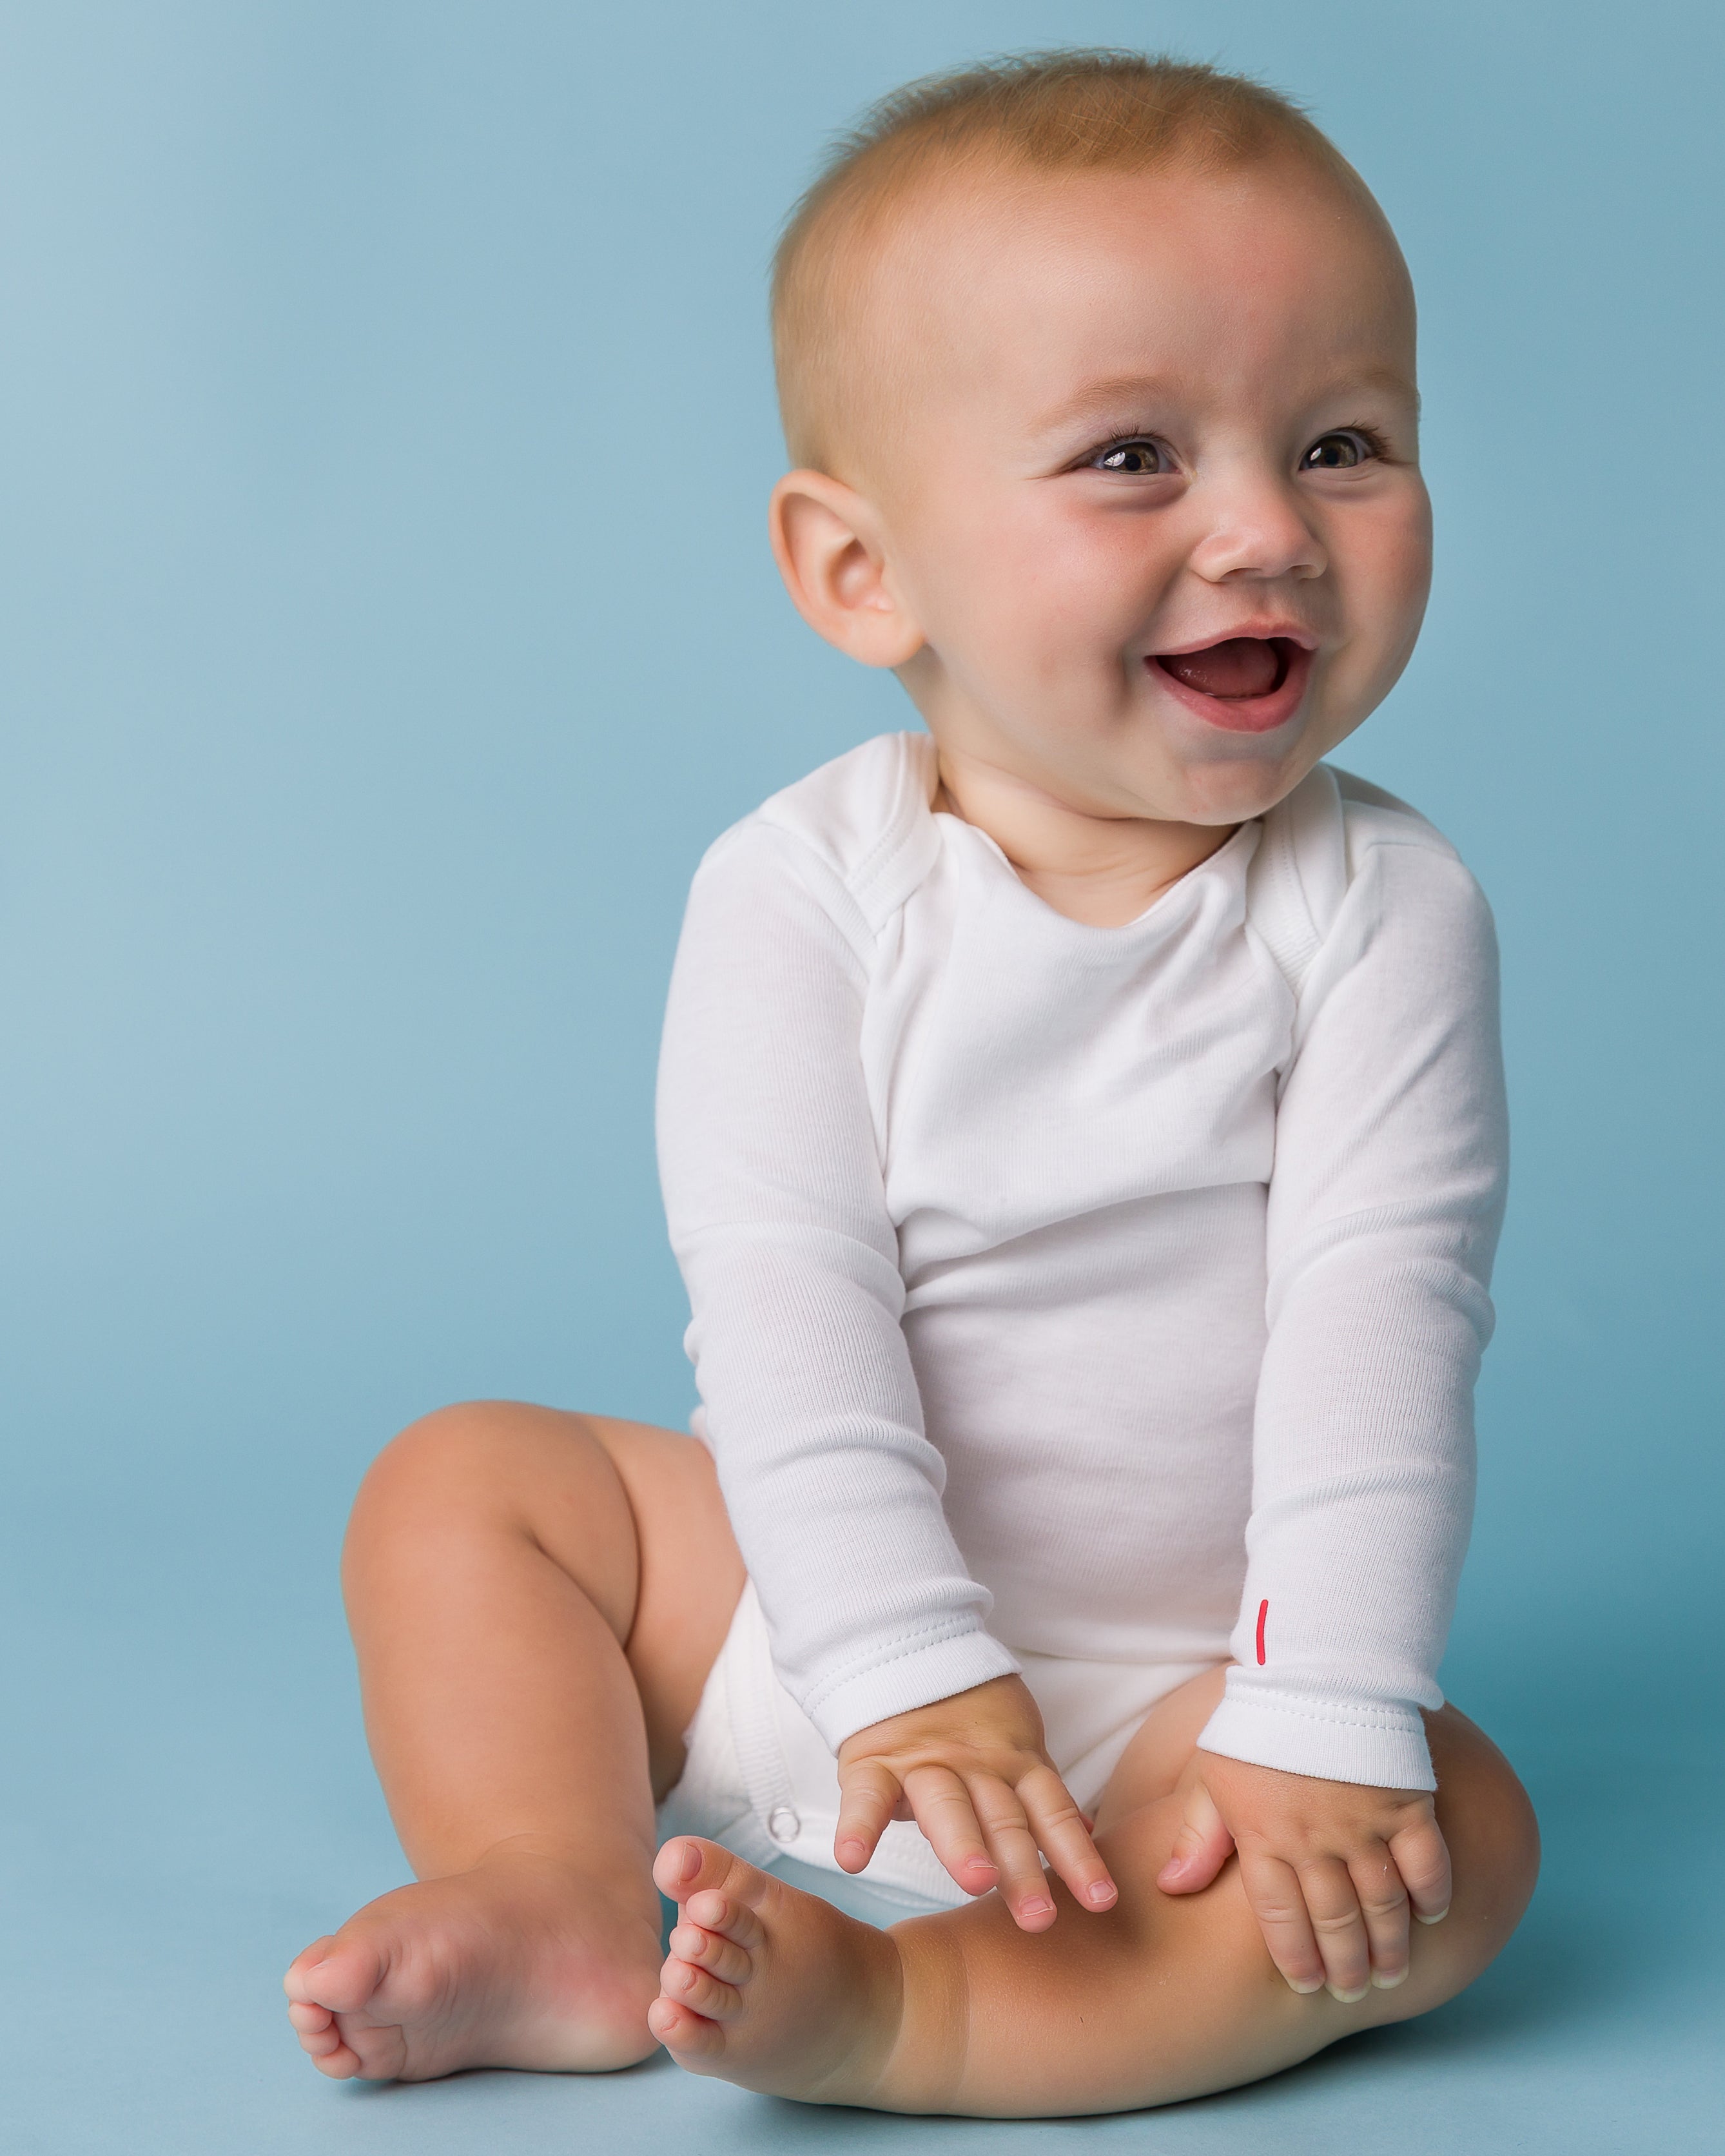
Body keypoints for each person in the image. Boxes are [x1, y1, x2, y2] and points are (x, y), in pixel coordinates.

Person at [284, 50, 1539, 2115]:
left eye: (1341, 443)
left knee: (1452, 1841)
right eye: (1134, 454)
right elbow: (784, 1296)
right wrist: (896, 1664)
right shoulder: (802, 890)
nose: (1264, 531)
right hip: (807, 1591)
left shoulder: (1383, 907)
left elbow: (1378, 1320)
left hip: (1176, 1702)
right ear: (864, 572)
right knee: (465, 1482)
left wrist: (1319, 1708)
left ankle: (923, 2013)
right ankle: (558, 1882)